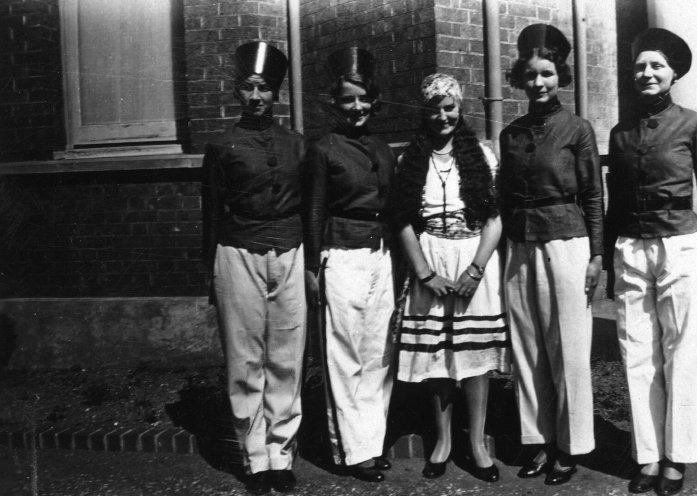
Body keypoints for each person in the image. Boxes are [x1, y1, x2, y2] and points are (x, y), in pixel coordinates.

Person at [606, 28, 697, 496]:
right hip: (631, 249)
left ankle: (677, 457)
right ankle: (648, 455)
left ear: (673, 73)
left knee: (683, 352)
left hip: (681, 248)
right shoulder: (620, 133)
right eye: (640, 66)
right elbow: (614, 203)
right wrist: (608, 262)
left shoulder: (693, 124)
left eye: (656, 66)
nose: (647, 73)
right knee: (637, 352)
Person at [497, 23, 603, 486]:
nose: (538, 83)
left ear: (560, 77)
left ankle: (570, 445)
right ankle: (539, 441)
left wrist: (597, 255)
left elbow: (593, 196)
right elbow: (503, 197)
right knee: (528, 347)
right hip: (520, 245)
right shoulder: (511, 133)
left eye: (547, 74)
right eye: (531, 75)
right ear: (520, 79)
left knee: (569, 349)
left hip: (566, 243)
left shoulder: (578, 129)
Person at [390, 73, 508, 483]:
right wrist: (425, 274)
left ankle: (476, 443)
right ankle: (441, 441)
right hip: (431, 260)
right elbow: (402, 222)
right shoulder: (410, 160)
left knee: (474, 358)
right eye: (434, 110)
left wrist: (476, 269)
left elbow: (494, 219)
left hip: (473, 258)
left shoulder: (482, 155)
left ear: (460, 107)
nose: (442, 116)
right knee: (437, 356)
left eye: (449, 107)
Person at [203, 41, 306, 495]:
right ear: (237, 91)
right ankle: (254, 458)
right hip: (237, 252)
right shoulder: (221, 146)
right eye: (249, 87)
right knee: (245, 359)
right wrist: (209, 273)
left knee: (286, 356)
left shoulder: (297, 144)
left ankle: (281, 454)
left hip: (289, 253)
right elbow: (210, 212)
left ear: (277, 93)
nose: (257, 96)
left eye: (265, 88)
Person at [303, 46, 396, 483]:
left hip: (382, 256)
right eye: (347, 100)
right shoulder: (323, 149)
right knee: (345, 355)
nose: (356, 108)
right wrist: (312, 266)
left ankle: (373, 443)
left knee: (379, 353)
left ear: (373, 101)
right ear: (334, 103)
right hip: (340, 255)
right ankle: (353, 450)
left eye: (363, 99)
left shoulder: (382, 148)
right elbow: (314, 208)